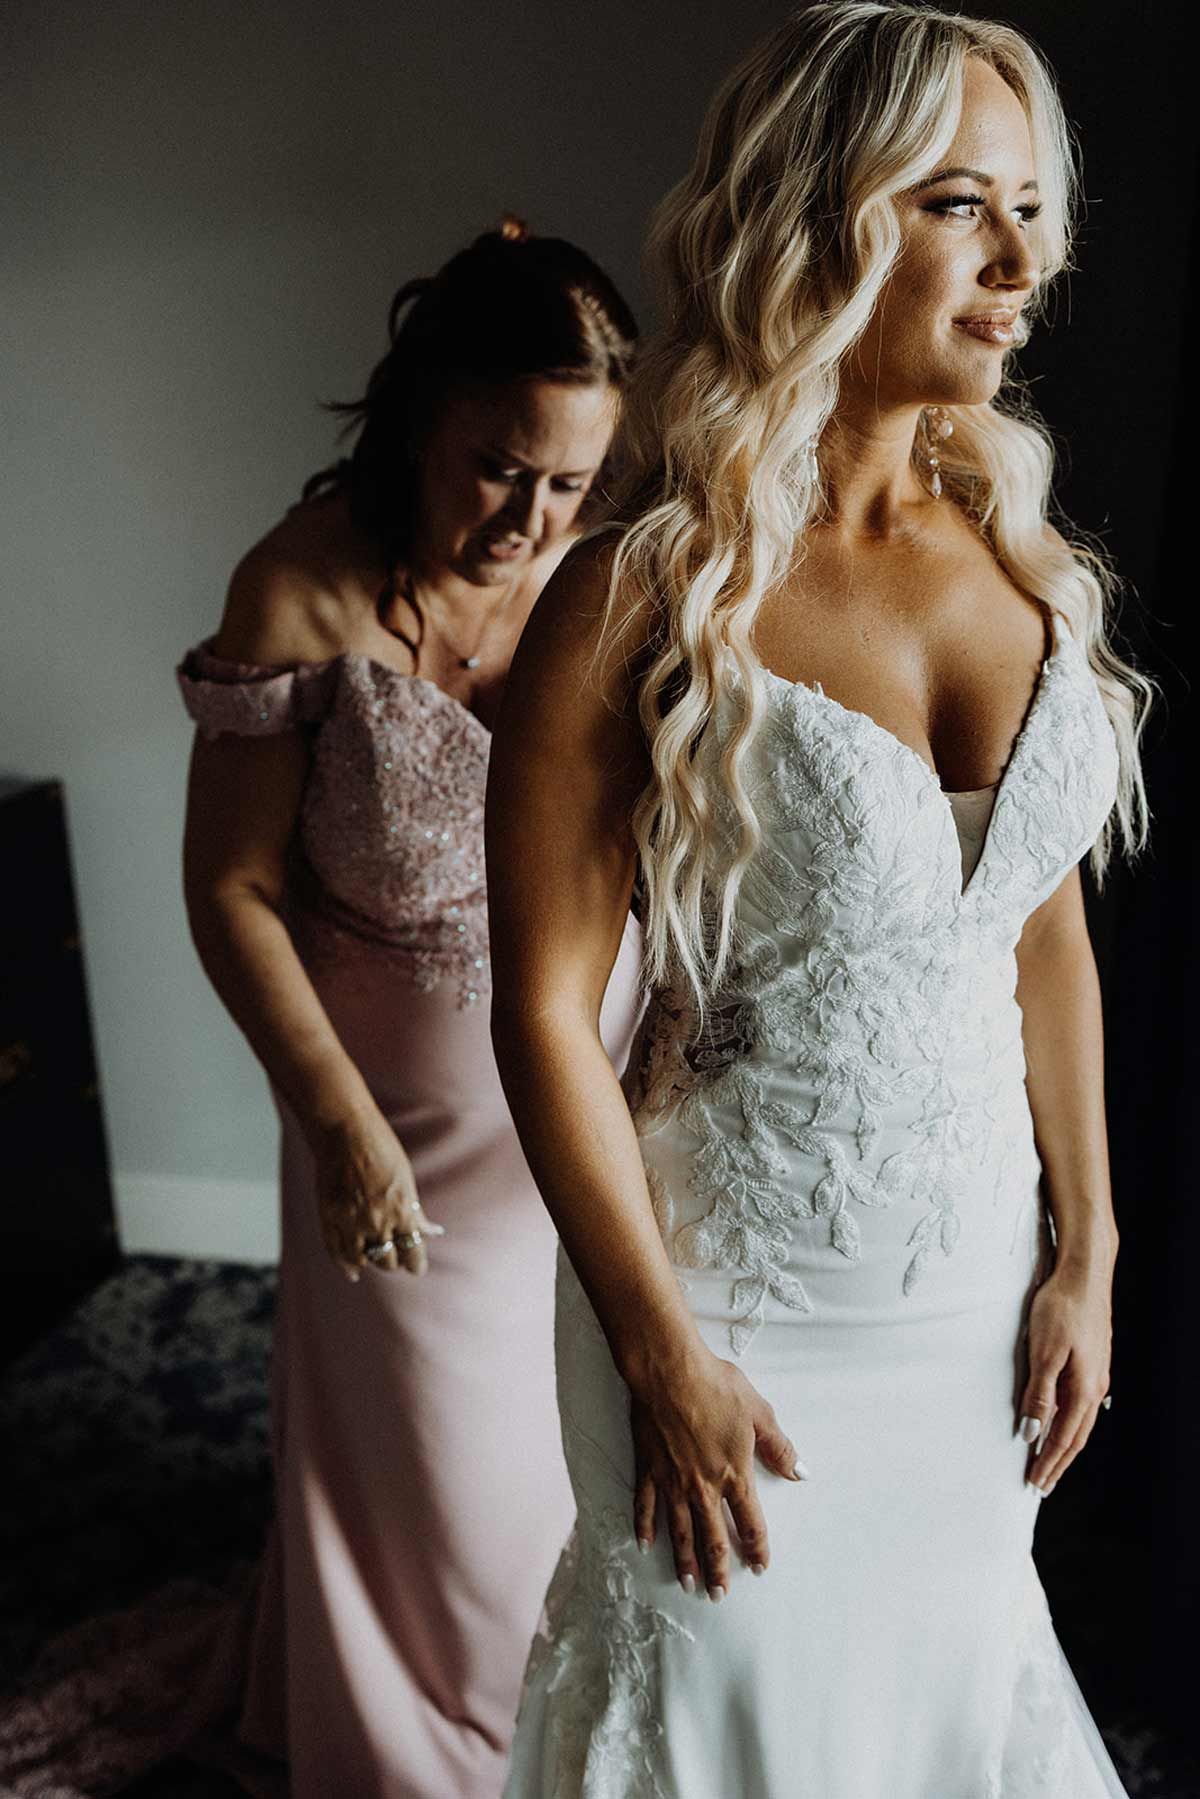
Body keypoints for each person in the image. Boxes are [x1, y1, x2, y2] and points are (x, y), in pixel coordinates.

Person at [485, 10, 1150, 1796]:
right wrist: (656, 1356)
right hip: (727, 1304)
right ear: (822, 218)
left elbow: (1040, 938)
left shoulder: (1020, 561)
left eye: (1033, 210)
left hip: (973, 1307)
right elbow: (545, 1012)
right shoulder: (640, 590)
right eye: (961, 206)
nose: (1026, 263)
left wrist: (1087, 1250)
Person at [178, 219, 643, 1799]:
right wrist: (339, 1125)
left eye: (573, 482)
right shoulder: (301, 590)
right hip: (397, 1136)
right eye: (499, 467)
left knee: (582, 1472)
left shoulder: (602, 575)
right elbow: (233, 892)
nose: (534, 518)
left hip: (593, 1093)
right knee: (438, 1488)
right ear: (419, 417)